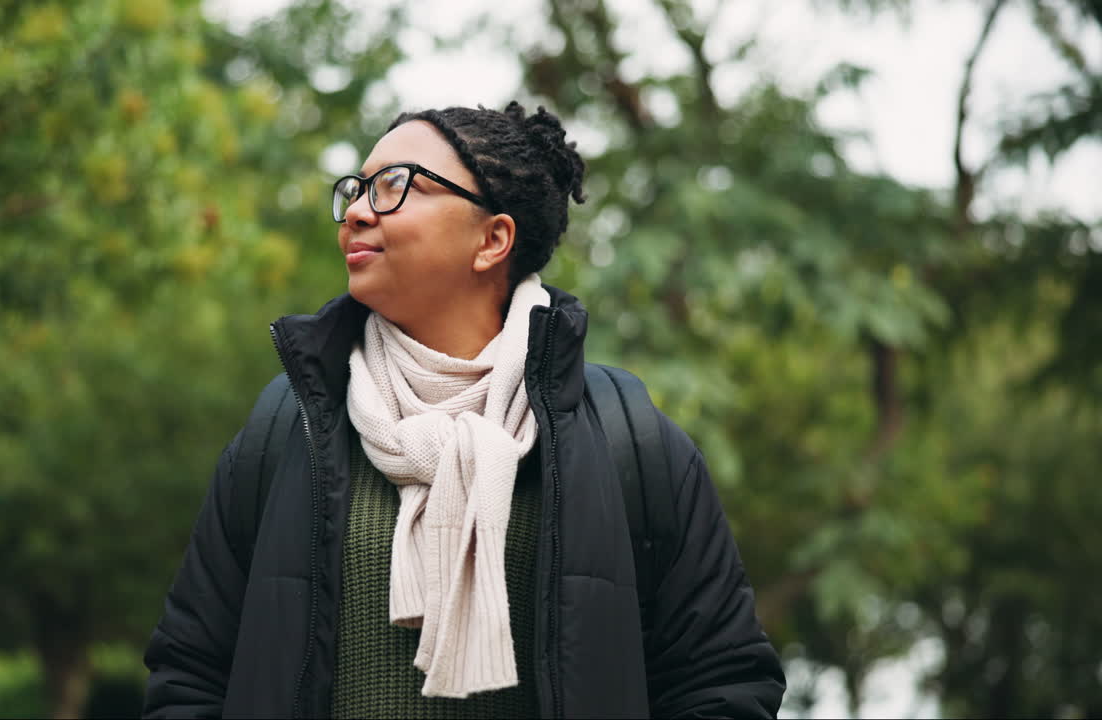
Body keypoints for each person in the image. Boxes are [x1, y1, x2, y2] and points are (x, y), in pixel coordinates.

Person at [142, 101, 786, 719]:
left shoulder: (629, 436)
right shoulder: (290, 424)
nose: (357, 214)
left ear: (492, 239)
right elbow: (192, 671)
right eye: (354, 190)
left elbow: (722, 679)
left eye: (396, 186)